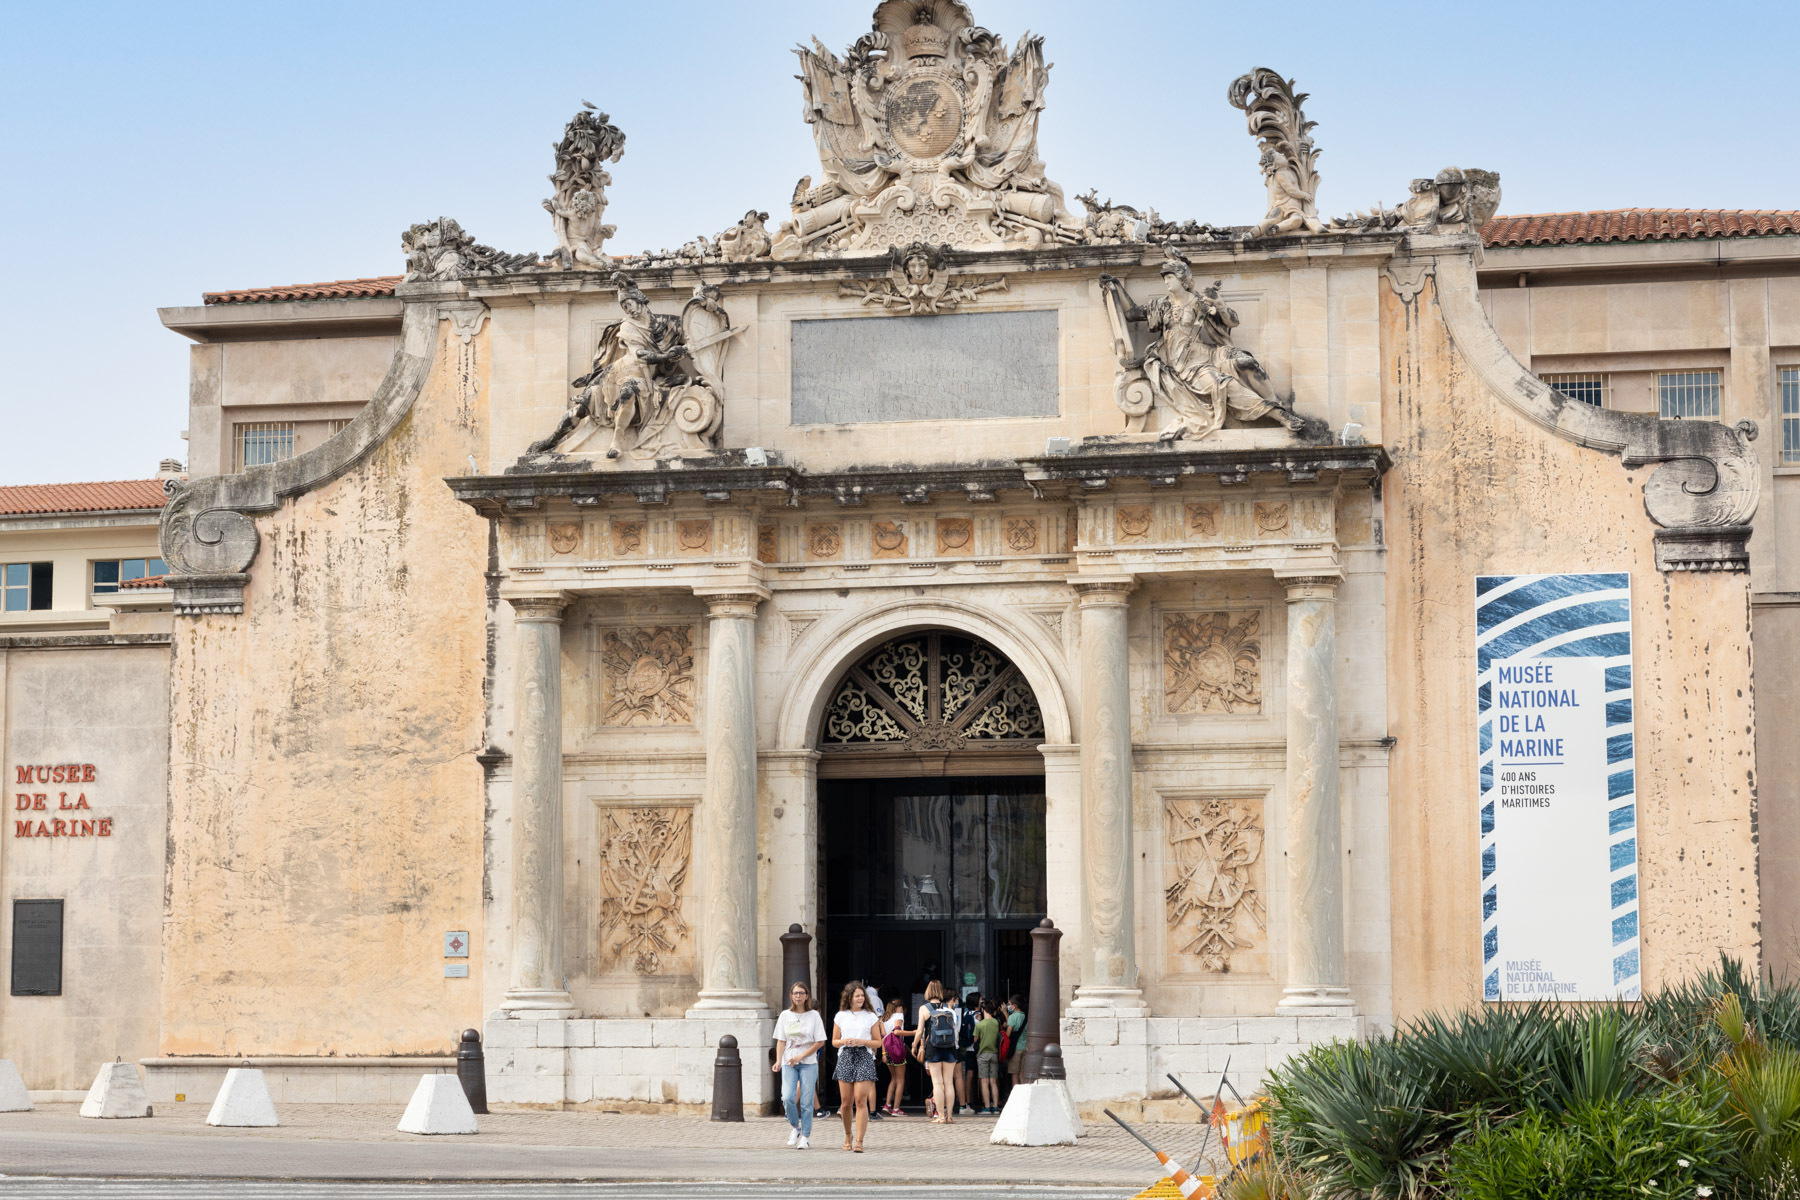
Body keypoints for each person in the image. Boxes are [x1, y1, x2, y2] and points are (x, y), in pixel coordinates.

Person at [773, 981, 825, 1149]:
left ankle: (806, 1136)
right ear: (791, 996)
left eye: (801, 993)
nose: (798, 996)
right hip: (789, 1062)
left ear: (807, 995)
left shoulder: (814, 1016)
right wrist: (778, 1060)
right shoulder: (785, 1015)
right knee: (787, 1097)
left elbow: (820, 1041)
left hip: (808, 1063)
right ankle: (796, 1127)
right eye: (795, 993)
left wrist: (801, 1056)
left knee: (806, 1101)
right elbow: (781, 1040)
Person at [832, 981, 882, 1153]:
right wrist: (844, 1041)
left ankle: (859, 1141)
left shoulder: (870, 1016)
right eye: (857, 996)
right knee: (846, 1103)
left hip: (864, 1056)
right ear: (850, 997)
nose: (860, 998)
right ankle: (848, 1134)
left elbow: (878, 1041)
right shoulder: (841, 1016)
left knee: (861, 1100)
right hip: (845, 1055)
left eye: (862, 996)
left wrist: (862, 1041)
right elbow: (834, 1041)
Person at [912, 979, 960, 1125]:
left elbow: (920, 1030)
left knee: (937, 1084)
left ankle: (940, 1116)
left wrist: (915, 1045)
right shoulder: (949, 1008)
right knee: (949, 1083)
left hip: (933, 1048)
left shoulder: (924, 1009)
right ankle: (950, 1116)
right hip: (950, 1048)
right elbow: (954, 1030)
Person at [879, 998, 910, 1116]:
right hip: (897, 1051)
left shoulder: (883, 1019)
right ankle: (896, 1109)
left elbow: (883, 1038)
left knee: (893, 1079)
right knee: (901, 1080)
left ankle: (887, 1105)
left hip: (887, 1052)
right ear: (900, 1007)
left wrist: (883, 1054)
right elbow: (897, 1032)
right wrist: (914, 1032)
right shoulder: (899, 1016)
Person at [973, 999, 1002, 1113]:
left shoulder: (980, 1025)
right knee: (993, 1082)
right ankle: (995, 1106)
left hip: (983, 1054)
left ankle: (987, 1107)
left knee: (984, 1082)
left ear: (983, 1009)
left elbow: (975, 1040)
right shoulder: (996, 1022)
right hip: (994, 1054)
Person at [1004, 994, 1028, 1094]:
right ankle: (1024, 1097)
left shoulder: (1013, 1017)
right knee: (1022, 1075)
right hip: (1025, 1048)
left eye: (1009, 1004)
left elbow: (1008, 1034)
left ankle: (1016, 1098)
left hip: (1015, 1049)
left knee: (1014, 1075)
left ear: (1015, 1005)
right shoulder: (1026, 1016)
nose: (1008, 1006)